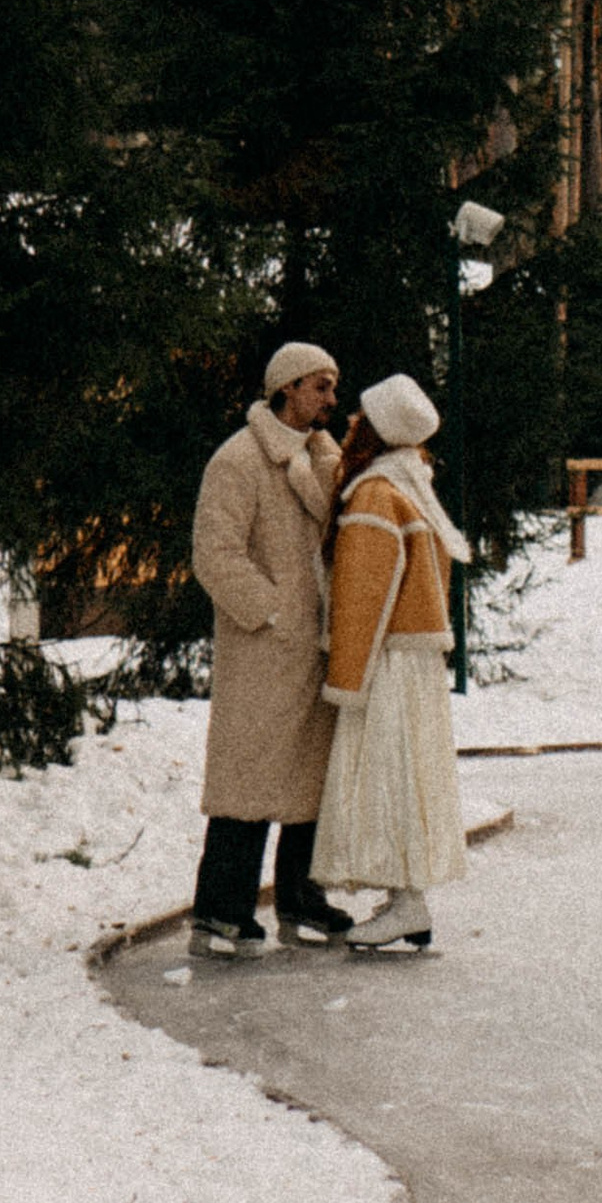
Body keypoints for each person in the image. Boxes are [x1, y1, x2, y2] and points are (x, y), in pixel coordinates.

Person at [188, 341, 355, 959]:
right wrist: (274, 611)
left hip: (316, 646)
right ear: (286, 388)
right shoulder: (239, 460)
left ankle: (300, 897)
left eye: (332, 387)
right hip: (265, 650)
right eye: (320, 386)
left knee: (310, 778)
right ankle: (221, 910)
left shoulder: (324, 457)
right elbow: (216, 554)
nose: (331, 399)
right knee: (248, 778)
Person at [314, 372, 470, 954]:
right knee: (410, 774)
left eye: (361, 417)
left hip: (387, 661)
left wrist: (345, 676)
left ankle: (407, 902)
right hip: (416, 659)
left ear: (377, 432)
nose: (351, 422)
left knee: (386, 776)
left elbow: (364, 593)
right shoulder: (413, 485)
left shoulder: (376, 494)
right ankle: (407, 898)